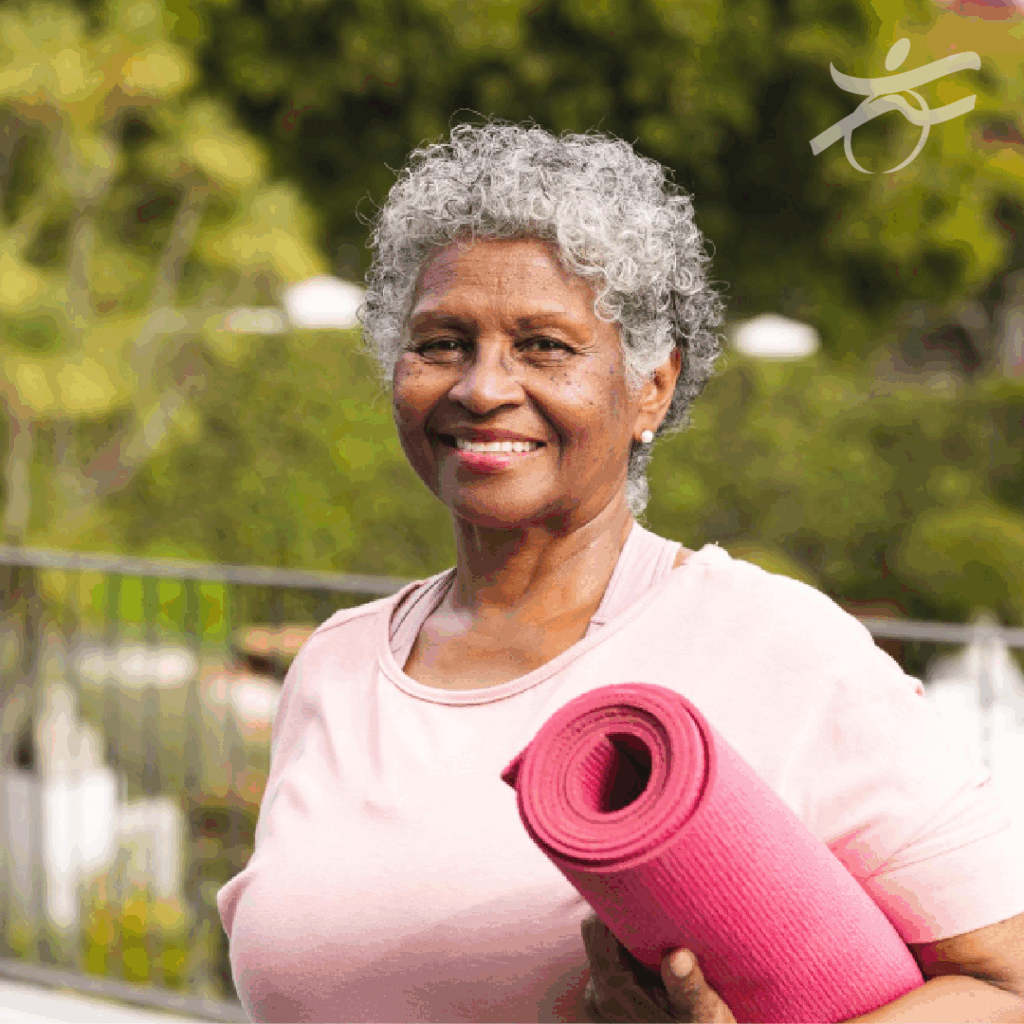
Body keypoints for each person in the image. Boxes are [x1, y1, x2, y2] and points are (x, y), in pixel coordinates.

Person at [216, 122, 1024, 1023]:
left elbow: (1007, 985)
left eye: (545, 345)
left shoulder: (777, 646)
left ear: (652, 388)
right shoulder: (335, 666)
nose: (482, 387)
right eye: (441, 342)